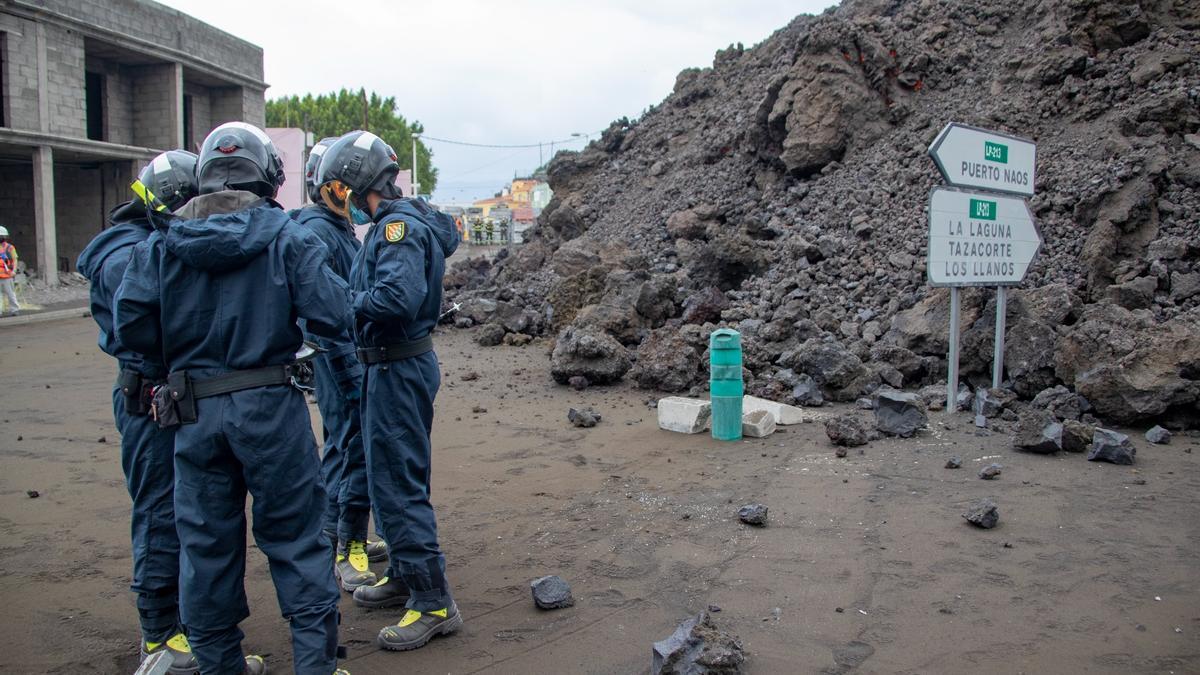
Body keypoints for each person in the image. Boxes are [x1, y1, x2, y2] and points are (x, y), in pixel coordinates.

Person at [114, 122, 352, 675]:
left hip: (194, 415)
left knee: (205, 550)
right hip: (271, 408)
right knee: (296, 540)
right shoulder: (289, 236)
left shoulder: (161, 244)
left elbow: (131, 326)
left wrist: (176, 360)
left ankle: (221, 666)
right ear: (268, 175)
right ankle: (315, 666)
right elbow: (334, 315)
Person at [317, 130, 462, 651]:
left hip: (397, 367)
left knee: (397, 486)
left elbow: (396, 299)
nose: (344, 199)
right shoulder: (395, 225)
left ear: (358, 182)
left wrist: (342, 297)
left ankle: (433, 600)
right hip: (395, 366)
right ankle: (405, 574)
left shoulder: (397, 228)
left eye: (344, 187)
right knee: (392, 479)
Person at [77, 150, 201, 675]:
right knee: (159, 512)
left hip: (170, 397)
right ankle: (159, 636)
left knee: (184, 511)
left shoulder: (145, 244)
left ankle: (182, 624)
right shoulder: (126, 255)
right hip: (150, 401)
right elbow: (159, 327)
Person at [289, 136, 382, 592]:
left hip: (336, 351)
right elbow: (329, 300)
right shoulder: (317, 230)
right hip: (338, 353)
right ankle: (349, 546)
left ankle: (338, 537)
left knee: (343, 445)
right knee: (354, 448)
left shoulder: (331, 228)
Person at [0, 226, 19, 315]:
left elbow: (15, 260)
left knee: (10, 294)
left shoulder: (10, 248)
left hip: (7, 275)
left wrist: (14, 271)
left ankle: (14, 310)